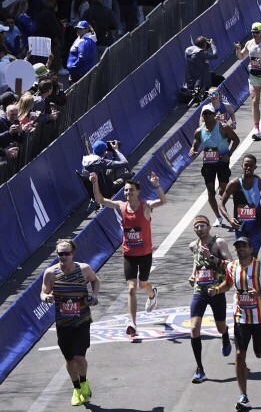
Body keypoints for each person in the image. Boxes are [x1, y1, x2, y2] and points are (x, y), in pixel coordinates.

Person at [90, 172, 165, 339]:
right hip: (129, 254)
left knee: (143, 284)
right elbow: (100, 200)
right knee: (131, 288)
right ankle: (132, 323)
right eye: (125, 190)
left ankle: (152, 294)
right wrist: (95, 182)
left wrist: (157, 186)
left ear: (138, 191)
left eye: (131, 190)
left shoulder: (145, 206)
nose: (127, 193)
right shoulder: (121, 206)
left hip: (145, 253)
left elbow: (162, 201)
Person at [40, 238, 100, 407]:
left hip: (82, 320)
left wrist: (94, 295)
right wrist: (46, 297)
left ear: (73, 253)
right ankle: (76, 388)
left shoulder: (84, 269)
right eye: (60, 254)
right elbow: (43, 292)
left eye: (66, 254)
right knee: (69, 359)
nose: (63, 257)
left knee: (79, 357)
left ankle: (84, 381)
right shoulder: (50, 273)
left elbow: (95, 280)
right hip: (63, 323)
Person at [226, 235, 261, 412]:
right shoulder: (231, 267)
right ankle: (243, 395)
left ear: (251, 249)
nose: (241, 249)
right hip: (240, 318)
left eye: (244, 246)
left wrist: (260, 293)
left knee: (258, 351)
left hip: (259, 318)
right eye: (238, 247)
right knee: (239, 355)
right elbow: (227, 284)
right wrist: (216, 289)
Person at [186, 215, 233, 383]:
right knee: (194, 328)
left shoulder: (218, 243)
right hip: (200, 291)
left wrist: (211, 256)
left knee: (220, 327)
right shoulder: (193, 246)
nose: (199, 229)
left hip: (216, 291)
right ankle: (200, 368)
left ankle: (225, 334)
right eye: (196, 227)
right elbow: (197, 262)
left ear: (209, 227)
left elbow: (231, 264)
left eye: (202, 226)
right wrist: (193, 275)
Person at [192, 106, 239, 227]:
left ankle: (224, 210)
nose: (207, 116)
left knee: (223, 191)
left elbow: (236, 140)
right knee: (210, 192)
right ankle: (219, 217)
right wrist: (192, 150)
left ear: (214, 115)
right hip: (208, 164)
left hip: (222, 162)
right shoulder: (199, 131)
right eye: (205, 114)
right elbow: (195, 144)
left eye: (209, 113)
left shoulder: (223, 127)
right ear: (202, 116)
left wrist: (229, 153)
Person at [221, 155, 261, 255]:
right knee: (242, 254)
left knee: (253, 255)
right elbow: (221, 204)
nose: (248, 168)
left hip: (256, 226)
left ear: (255, 167)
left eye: (251, 165)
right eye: (246, 165)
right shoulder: (234, 183)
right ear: (242, 166)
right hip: (240, 226)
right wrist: (229, 219)